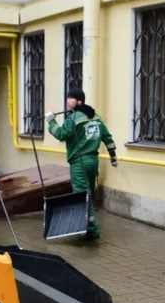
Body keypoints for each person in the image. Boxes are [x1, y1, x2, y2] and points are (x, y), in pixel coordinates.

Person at [46, 88, 118, 242]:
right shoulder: (96, 118)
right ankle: (88, 227)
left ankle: (91, 230)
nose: (67, 101)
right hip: (93, 161)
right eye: (67, 98)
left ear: (79, 101)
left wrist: (51, 121)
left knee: (81, 196)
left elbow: (60, 134)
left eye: (70, 98)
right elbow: (107, 138)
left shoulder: (73, 119)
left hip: (79, 162)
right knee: (88, 194)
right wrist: (113, 157)